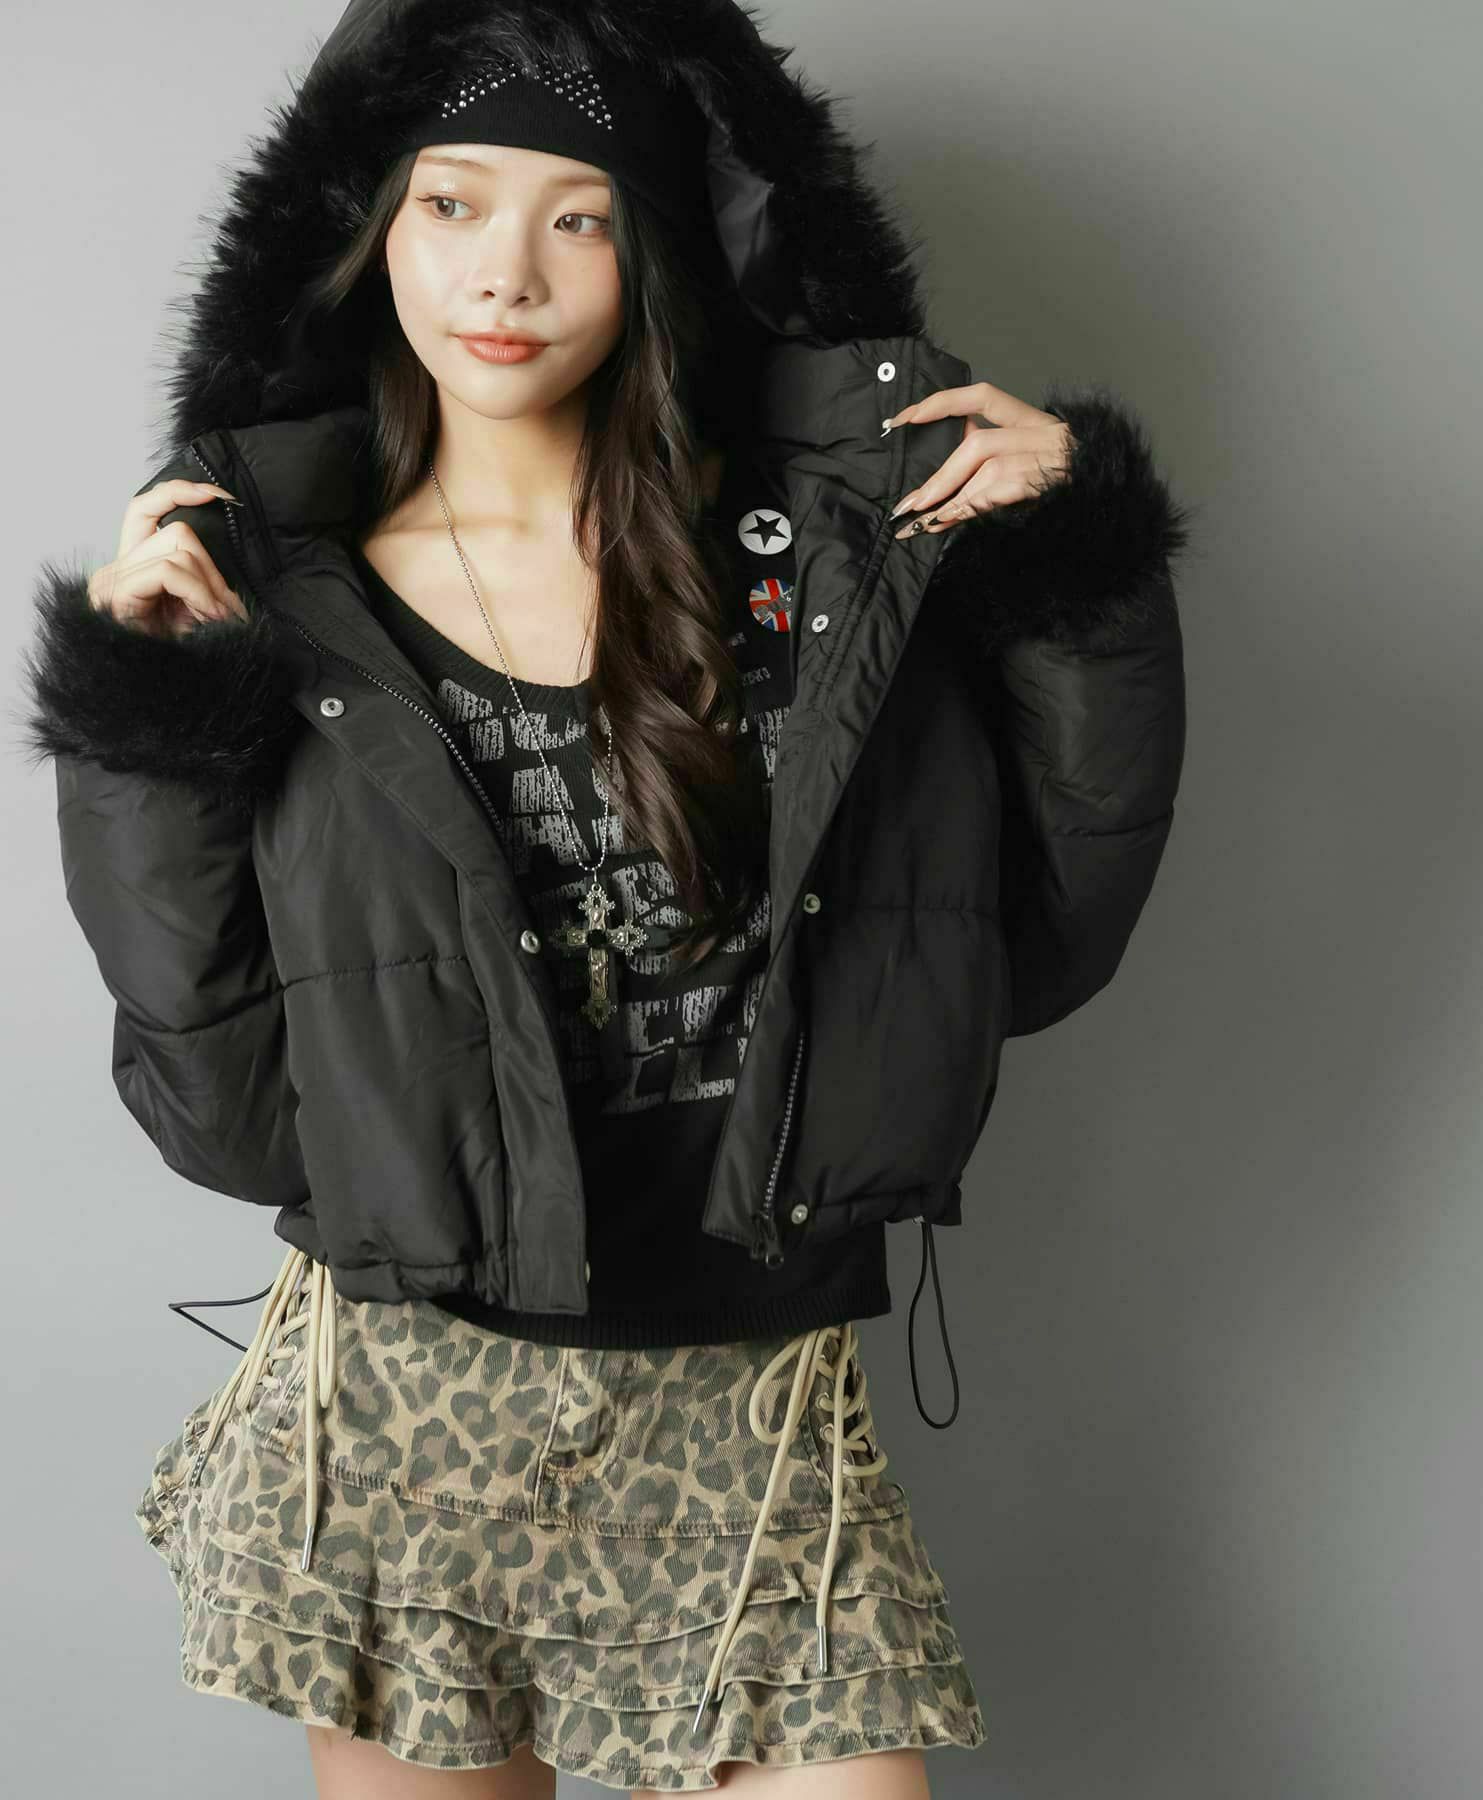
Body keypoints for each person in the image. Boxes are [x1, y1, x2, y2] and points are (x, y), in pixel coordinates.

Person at [21, 0, 1191, 1791]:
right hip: (415, 1409)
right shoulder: (285, 601)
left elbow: (1026, 942)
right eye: (451, 204)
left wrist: (1077, 571)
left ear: (657, 251)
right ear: (372, 233)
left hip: (759, 1409)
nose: (505, 273)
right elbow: (227, 1104)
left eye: (578, 217)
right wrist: (149, 726)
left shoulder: (827, 561)